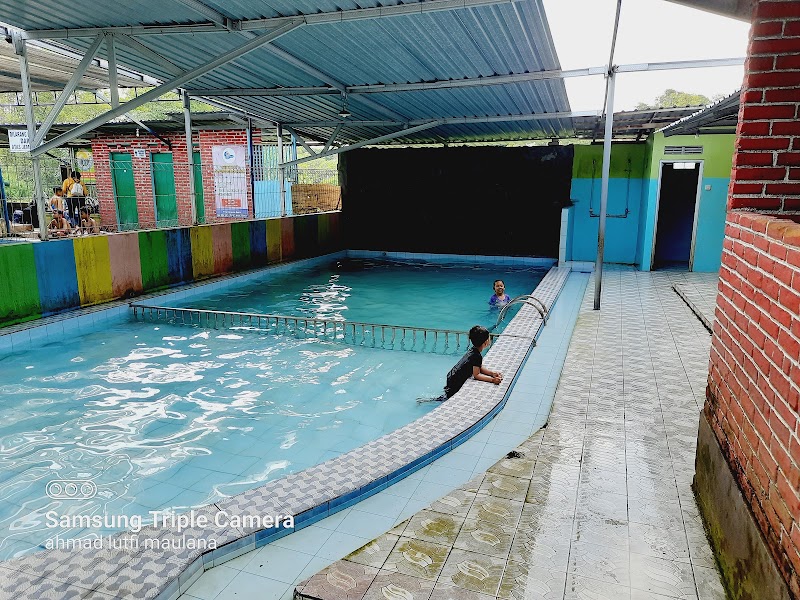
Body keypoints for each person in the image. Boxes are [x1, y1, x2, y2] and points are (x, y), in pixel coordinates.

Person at [420, 325, 503, 403]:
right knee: (447, 399)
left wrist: (492, 373)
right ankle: (425, 401)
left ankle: (426, 400)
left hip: (452, 376)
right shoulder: (477, 356)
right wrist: (492, 380)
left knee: (445, 395)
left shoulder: (473, 351)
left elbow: (478, 367)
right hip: (456, 381)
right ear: (485, 342)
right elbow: (476, 375)